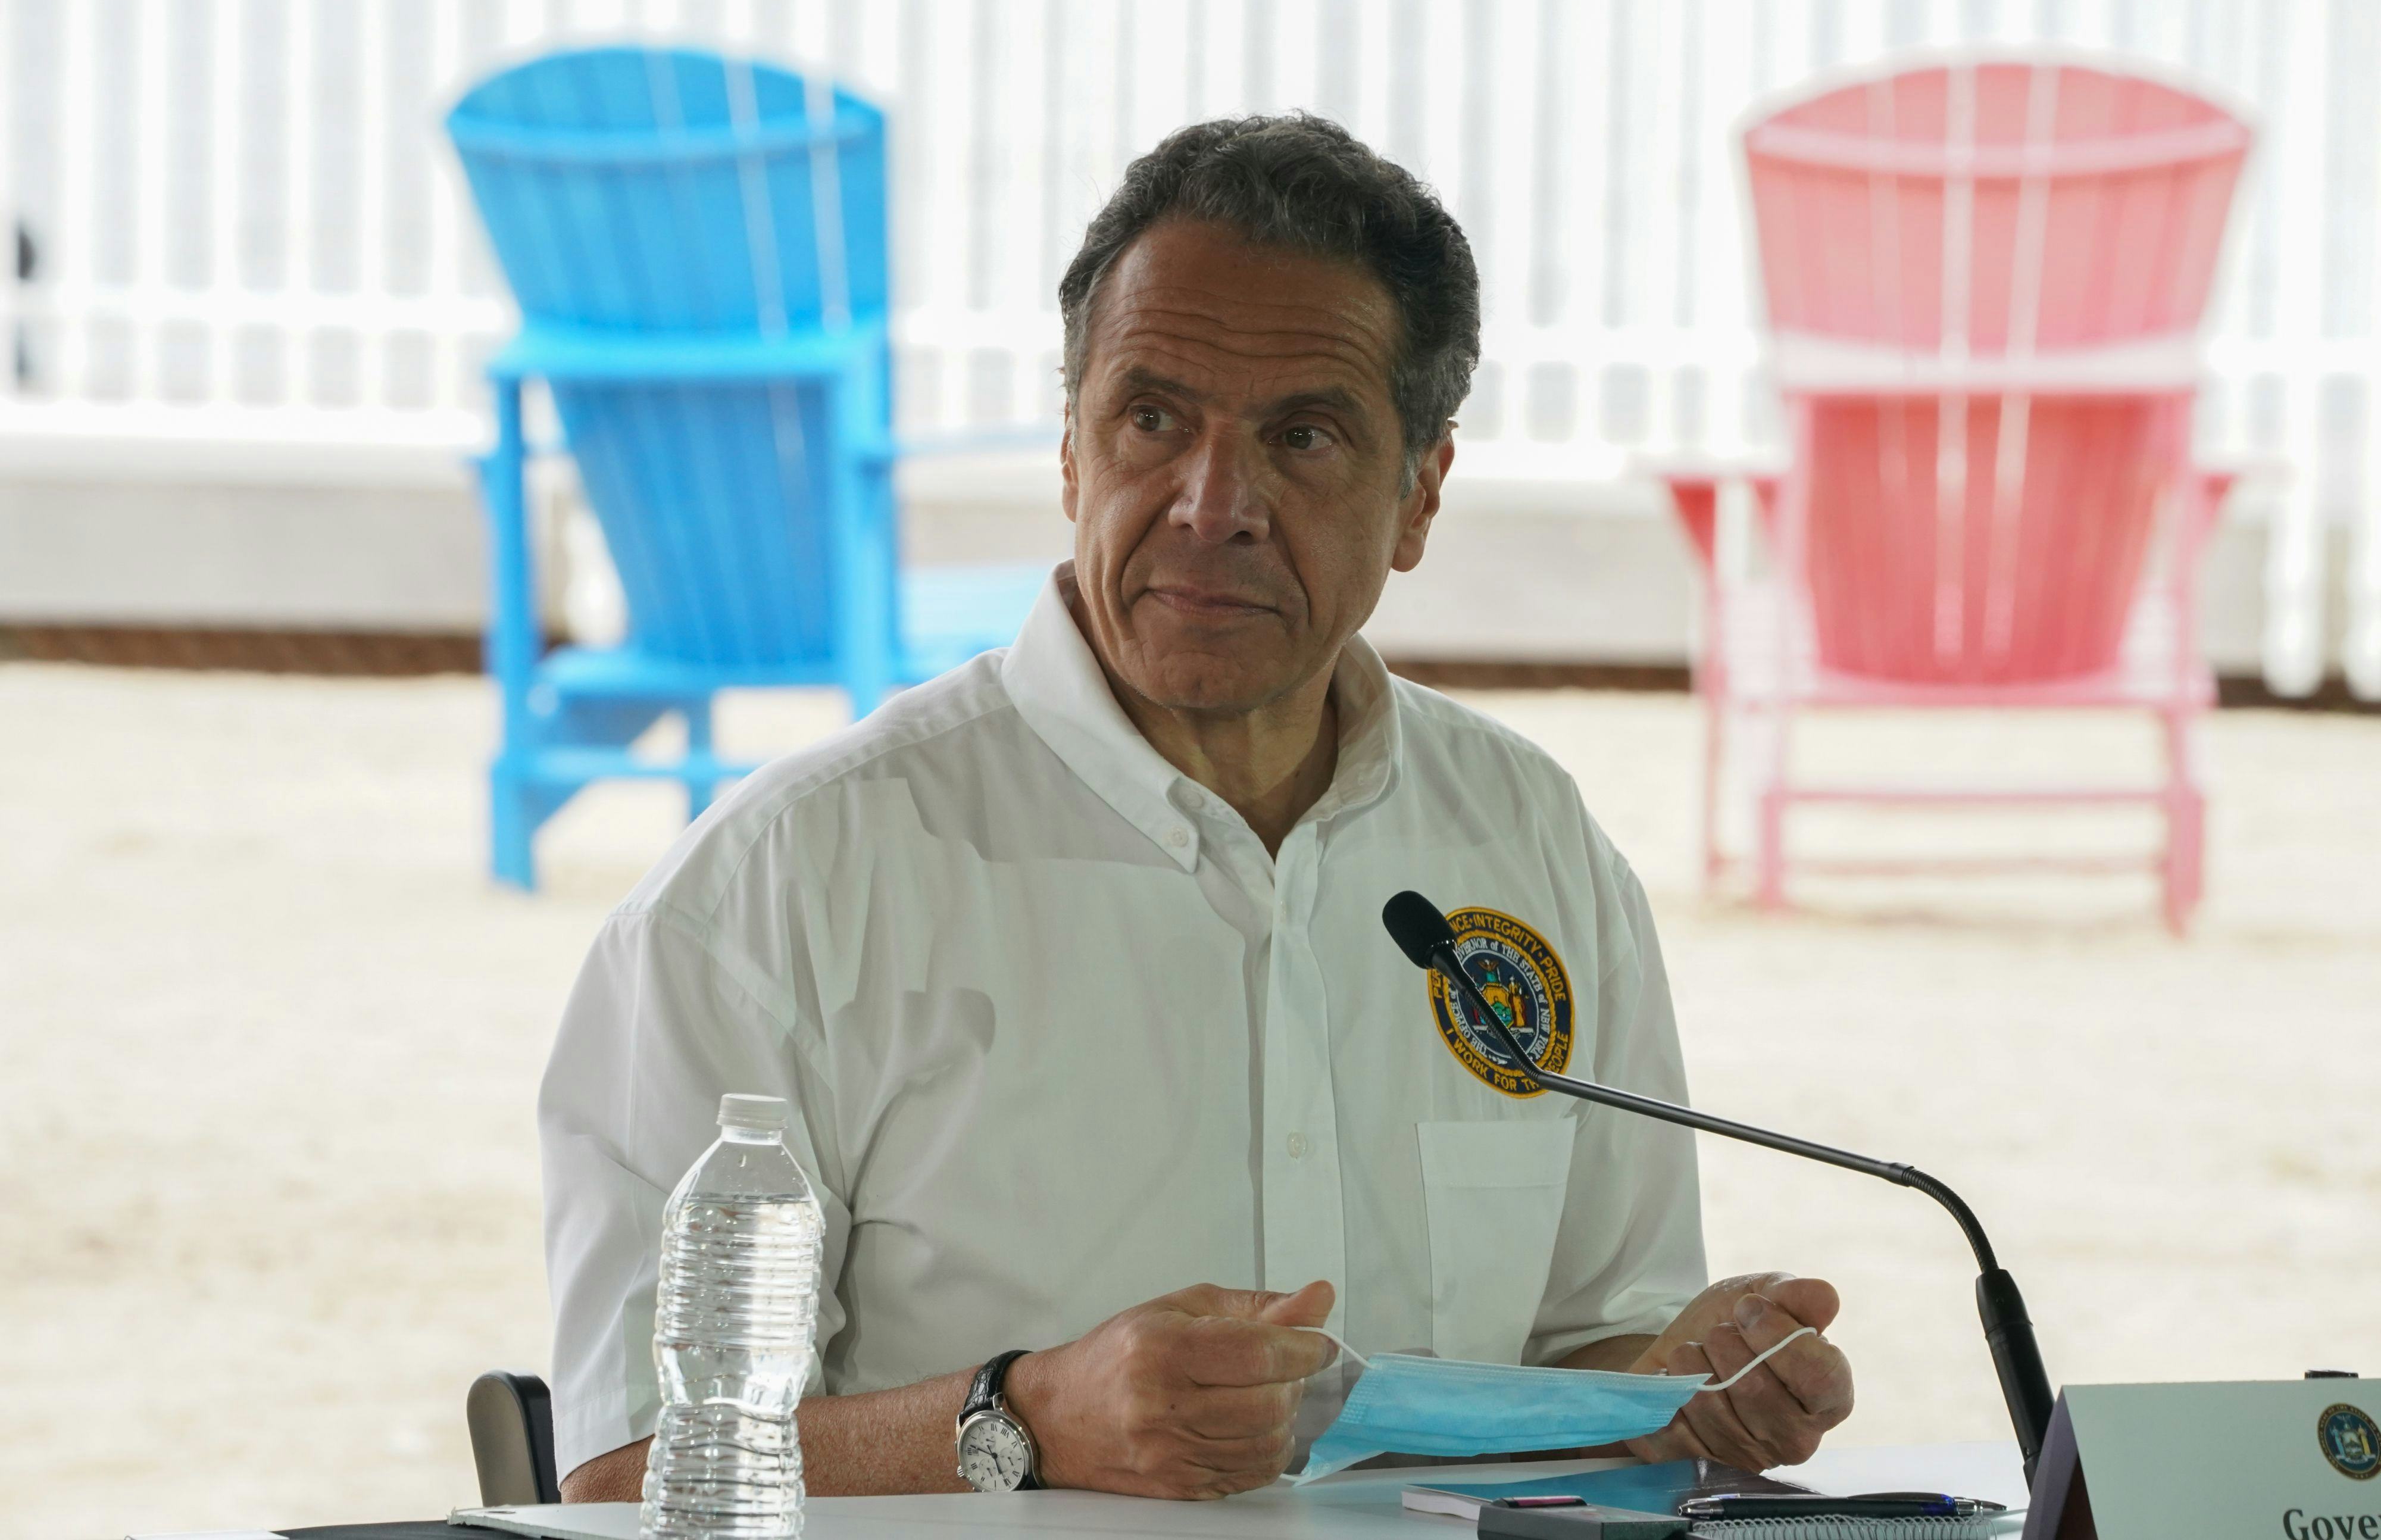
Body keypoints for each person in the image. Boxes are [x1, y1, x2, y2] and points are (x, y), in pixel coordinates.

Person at [539, 114, 1854, 1504]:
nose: (1208, 504)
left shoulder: (1528, 842)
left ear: (1419, 494)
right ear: (1069, 449)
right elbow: (632, 1468)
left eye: (1301, 436)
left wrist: (1681, 1386)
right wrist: (1019, 1420)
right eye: (1152, 419)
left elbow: (1591, 1359)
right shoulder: (781, 886)